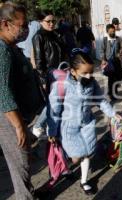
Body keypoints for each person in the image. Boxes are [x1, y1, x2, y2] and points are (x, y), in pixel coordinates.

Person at [47, 51, 120, 195]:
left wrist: (112, 113)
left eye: (91, 72)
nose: (89, 76)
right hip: (69, 126)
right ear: (73, 71)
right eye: (85, 73)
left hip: (87, 123)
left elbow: (100, 100)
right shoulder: (62, 84)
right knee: (76, 157)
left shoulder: (92, 82)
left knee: (86, 153)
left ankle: (84, 181)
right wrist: (52, 130)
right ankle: (65, 164)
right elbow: (53, 108)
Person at [0, 2, 45, 199]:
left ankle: (28, 194)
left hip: (18, 116)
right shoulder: (2, 50)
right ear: (5, 24)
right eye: (22, 24)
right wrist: (19, 127)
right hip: (9, 118)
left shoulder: (10, 46)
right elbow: (3, 92)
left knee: (24, 163)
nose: (26, 29)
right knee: (21, 165)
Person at [32, 10, 66, 138]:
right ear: (41, 21)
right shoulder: (38, 36)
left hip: (60, 73)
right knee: (53, 102)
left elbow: (62, 52)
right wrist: (43, 80)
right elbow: (39, 61)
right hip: (49, 75)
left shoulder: (55, 34)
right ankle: (38, 125)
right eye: (48, 21)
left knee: (59, 102)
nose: (51, 24)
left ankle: (52, 126)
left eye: (53, 21)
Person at [100, 24, 122, 101]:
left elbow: (121, 48)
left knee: (118, 77)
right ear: (107, 32)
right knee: (111, 79)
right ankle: (112, 94)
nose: (112, 33)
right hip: (108, 62)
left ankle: (114, 91)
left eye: (113, 31)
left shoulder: (118, 39)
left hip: (117, 61)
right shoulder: (105, 40)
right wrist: (103, 59)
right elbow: (102, 50)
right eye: (111, 31)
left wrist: (120, 52)